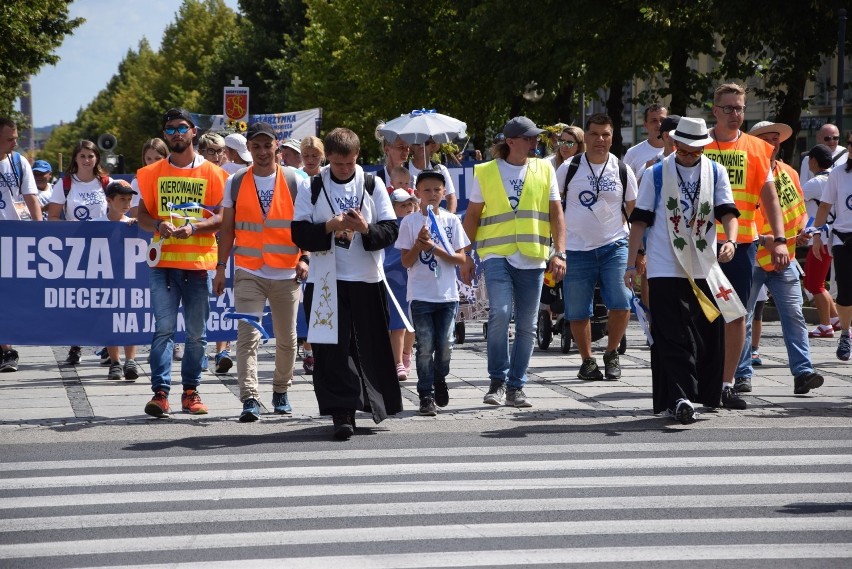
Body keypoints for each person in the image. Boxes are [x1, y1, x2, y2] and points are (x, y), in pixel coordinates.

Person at [625, 116, 741, 424]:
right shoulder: (656, 174)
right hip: (665, 264)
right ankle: (679, 397)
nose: (690, 155)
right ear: (675, 144)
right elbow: (640, 219)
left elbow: (727, 211)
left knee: (706, 332)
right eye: (685, 150)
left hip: (703, 264)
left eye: (696, 151)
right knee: (670, 334)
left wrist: (731, 240)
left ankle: (703, 393)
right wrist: (631, 263)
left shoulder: (715, 171)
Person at [292, 127, 402, 440]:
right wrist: (331, 225)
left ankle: (372, 404)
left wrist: (365, 229)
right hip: (325, 280)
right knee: (332, 350)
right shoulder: (313, 185)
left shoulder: (372, 183)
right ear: (329, 158)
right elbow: (298, 233)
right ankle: (342, 413)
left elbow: (389, 230)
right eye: (338, 164)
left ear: (357, 157)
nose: (344, 169)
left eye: (350, 163)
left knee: (367, 345)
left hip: (366, 278)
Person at [460, 116, 566, 408]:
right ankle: (497, 380)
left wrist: (560, 251)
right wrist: (465, 254)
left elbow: (556, 214)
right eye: (529, 138)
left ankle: (516, 386)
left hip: (532, 255)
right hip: (496, 254)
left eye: (535, 138)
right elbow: (471, 216)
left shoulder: (545, 168)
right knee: (500, 313)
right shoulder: (486, 171)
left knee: (527, 326)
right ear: (510, 141)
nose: (534, 142)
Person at [135, 108, 227, 418]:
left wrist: (193, 228)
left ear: (193, 132)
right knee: (163, 330)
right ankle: (160, 394)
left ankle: (191, 391)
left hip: (198, 265)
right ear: (165, 135)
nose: (176, 133)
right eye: (170, 129)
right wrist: (158, 224)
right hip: (162, 264)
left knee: (196, 334)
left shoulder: (214, 174)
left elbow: (223, 218)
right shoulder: (151, 173)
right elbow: (142, 215)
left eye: (181, 128)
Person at [213, 122, 308, 421]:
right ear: (249, 149)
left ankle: (281, 389)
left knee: (287, 339)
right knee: (247, 337)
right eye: (256, 146)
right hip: (249, 270)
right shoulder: (237, 181)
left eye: (268, 145)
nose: (263, 151)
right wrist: (219, 267)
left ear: (277, 145)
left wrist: (305, 258)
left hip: (285, 272)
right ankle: (249, 398)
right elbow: (226, 229)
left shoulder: (295, 180)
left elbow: (304, 226)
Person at [703, 83, 788, 410]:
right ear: (715, 110)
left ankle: (726, 384)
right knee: (703, 313)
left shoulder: (757, 148)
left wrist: (779, 239)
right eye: (728, 108)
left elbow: (770, 199)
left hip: (742, 244)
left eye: (739, 108)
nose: (735, 114)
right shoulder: (699, 145)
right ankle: (702, 379)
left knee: (735, 314)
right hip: (699, 245)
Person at [732, 121, 823, 396]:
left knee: (794, 315)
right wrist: (766, 241)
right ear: (756, 143)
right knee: (743, 319)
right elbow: (737, 215)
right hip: (751, 256)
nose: (774, 143)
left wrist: (804, 232)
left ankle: (803, 372)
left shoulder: (789, 173)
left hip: (785, 258)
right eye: (768, 139)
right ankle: (741, 374)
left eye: (777, 139)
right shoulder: (746, 171)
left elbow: (798, 213)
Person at [558, 113, 637, 381]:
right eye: (594, 134)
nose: (600, 140)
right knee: (578, 310)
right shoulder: (569, 167)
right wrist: (556, 249)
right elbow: (553, 208)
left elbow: (634, 213)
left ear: (612, 138)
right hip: (576, 249)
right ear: (585, 137)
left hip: (614, 246)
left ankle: (612, 352)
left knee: (622, 301)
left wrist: (640, 252)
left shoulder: (622, 169)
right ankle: (587, 360)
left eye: (605, 134)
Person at [397, 169, 469, 415]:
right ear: (417, 194)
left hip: (447, 295)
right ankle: (425, 393)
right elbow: (406, 262)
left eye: (437, 190)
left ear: (444, 193)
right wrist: (419, 244)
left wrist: (434, 248)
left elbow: (460, 258)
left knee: (446, 344)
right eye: (426, 190)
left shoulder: (452, 220)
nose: (432, 194)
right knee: (425, 345)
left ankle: (440, 377)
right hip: (420, 295)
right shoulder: (409, 222)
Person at [48, 139, 112, 365]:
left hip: (103, 249)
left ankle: (106, 345)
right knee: (77, 300)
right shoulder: (65, 183)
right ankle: (76, 345)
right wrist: (70, 230)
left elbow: (119, 211)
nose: (87, 160)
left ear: (97, 159)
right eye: (82, 156)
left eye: (91, 156)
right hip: (75, 250)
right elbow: (53, 216)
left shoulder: (106, 183)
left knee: (102, 299)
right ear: (75, 158)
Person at [0, 117, 42, 373]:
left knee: (11, 297)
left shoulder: (18, 162)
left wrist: (39, 232)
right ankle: (8, 349)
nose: (15, 142)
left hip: (15, 241)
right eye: (9, 138)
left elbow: (31, 199)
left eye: (16, 137)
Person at [91, 180, 141, 381]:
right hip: (105, 281)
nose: (127, 203)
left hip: (127, 280)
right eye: (122, 199)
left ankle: (131, 360)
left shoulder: (132, 224)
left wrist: (136, 226)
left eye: (129, 199)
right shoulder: (95, 225)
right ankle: (115, 361)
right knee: (110, 319)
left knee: (129, 319)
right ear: (109, 200)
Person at [197, 131, 234, 373]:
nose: (218, 155)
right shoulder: (197, 175)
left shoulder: (230, 178)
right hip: (200, 243)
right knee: (200, 301)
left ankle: (223, 351)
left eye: (221, 151)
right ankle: (199, 351)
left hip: (226, 242)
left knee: (225, 298)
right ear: (202, 152)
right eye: (212, 151)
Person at [812, 143, 852, 362]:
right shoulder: (838, 174)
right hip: (843, 238)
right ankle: (845, 333)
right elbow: (824, 206)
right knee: (846, 292)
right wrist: (817, 235)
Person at [801, 144, 842, 338]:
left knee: (814, 284)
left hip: (821, 239)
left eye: (809, 159)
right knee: (813, 282)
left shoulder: (816, 182)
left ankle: (825, 326)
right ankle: (835, 319)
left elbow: (792, 199)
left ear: (814, 161)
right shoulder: (836, 179)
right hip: (833, 237)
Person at [298, 136, 326, 375]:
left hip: (325, 246)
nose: (310, 160)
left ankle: (317, 350)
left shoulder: (328, 177)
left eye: (314, 155)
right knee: (307, 305)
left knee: (321, 303)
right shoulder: (296, 178)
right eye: (306, 155)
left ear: (322, 155)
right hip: (302, 245)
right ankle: (308, 351)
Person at [386, 184, 418, 380]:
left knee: (412, 323)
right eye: (402, 206)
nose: (407, 209)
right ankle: (397, 362)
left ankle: (407, 355)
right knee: (397, 323)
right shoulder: (389, 225)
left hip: (413, 279)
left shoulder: (416, 223)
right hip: (393, 279)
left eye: (410, 205)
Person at [407, 138, 458, 213]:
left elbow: (451, 199)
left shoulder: (441, 169)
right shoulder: (403, 170)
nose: (422, 145)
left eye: (426, 143)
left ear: (432, 146)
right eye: (417, 142)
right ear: (412, 146)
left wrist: (449, 220)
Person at [624, 103, 668, 176]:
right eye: (654, 121)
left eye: (662, 120)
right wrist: (647, 172)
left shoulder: (677, 151)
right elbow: (626, 186)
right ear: (645, 125)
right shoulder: (632, 154)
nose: (659, 124)